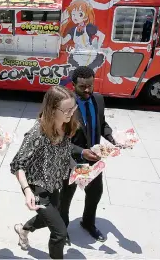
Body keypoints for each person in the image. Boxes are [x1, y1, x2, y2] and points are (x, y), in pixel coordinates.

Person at [10, 86, 79, 259]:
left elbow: (64, 152)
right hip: (37, 187)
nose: (71, 113)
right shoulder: (37, 133)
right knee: (59, 232)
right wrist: (27, 191)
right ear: (52, 109)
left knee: (47, 218)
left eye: (73, 108)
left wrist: (76, 168)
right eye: (67, 110)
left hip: (54, 183)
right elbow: (17, 164)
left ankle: (23, 229)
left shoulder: (65, 125)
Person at [58, 66, 118, 243]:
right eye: (82, 87)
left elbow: (102, 123)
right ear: (73, 85)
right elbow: (58, 139)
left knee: (94, 194)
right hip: (72, 162)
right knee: (65, 197)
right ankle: (62, 230)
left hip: (93, 161)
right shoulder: (65, 105)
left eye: (90, 86)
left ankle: (88, 223)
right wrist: (81, 151)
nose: (87, 90)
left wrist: (112, 138)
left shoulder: (98, 99)